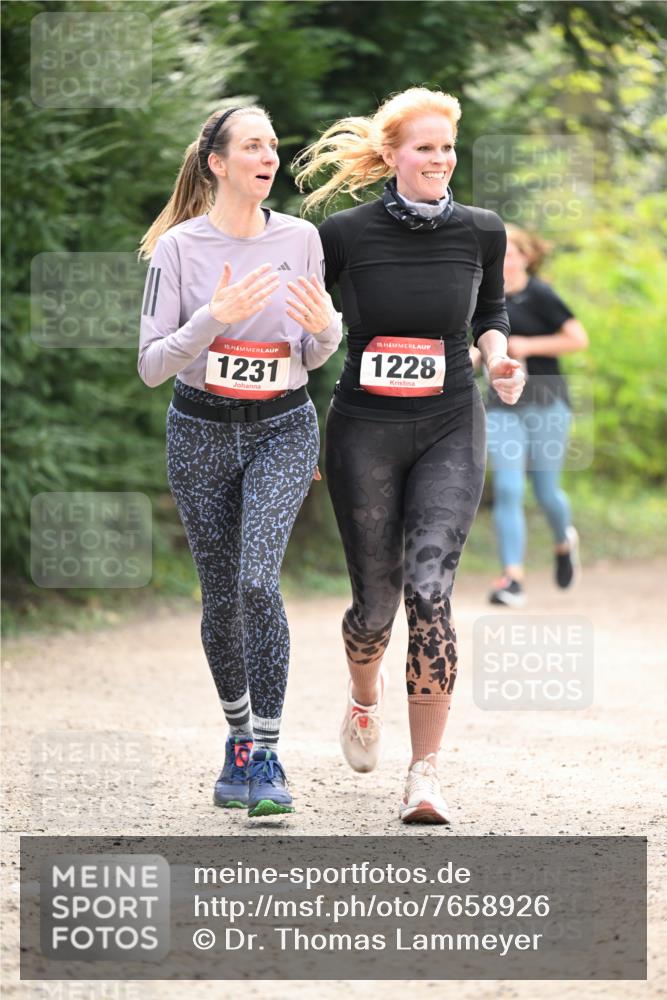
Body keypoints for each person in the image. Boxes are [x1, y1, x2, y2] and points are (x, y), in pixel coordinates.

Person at [294, 87, 525, 824]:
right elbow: (302, 330)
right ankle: (365, 696)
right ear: (391, 154)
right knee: (375, 605)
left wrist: (498, 359)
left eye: (448, 147)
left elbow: (489, 313)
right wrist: (292, 423)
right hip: (363, 427)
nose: (439, 159)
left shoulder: (481, 231)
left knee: (431, 589)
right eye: (425, 147)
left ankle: (423, 775)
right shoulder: (344, 235)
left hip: (451, 421)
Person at [137, 105, 342, 817]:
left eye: (273, 146)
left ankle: (267, 754)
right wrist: (214, 318)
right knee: (220, 595)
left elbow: (313, 354)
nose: (269, 156)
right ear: (217, 164)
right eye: (252, 146)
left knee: (258, 582)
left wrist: (329, 330)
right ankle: (236, 740)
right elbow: (152, 367)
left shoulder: (302, 239)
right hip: (198, 430)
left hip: (282, 427)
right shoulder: (178, 250)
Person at [477, 225, 588, 607]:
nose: (505, 261)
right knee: (508, 488)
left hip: (546, 403)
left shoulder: (539, 294)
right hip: (503, 405)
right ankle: (512, 579)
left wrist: (527, 344)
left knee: (546, 491)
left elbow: (577, 338)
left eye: (512, 253)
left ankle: (563, 540)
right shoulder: (482, 296)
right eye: (499, 254)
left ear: (526, 257)